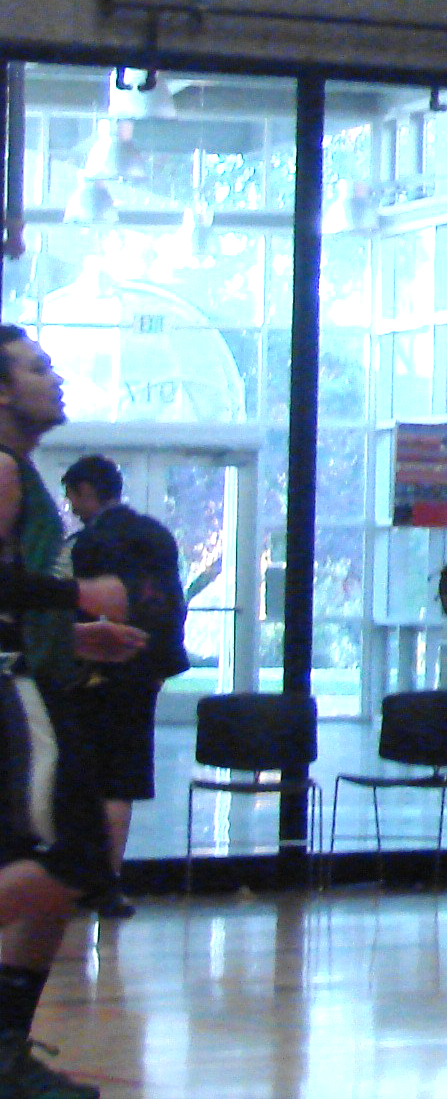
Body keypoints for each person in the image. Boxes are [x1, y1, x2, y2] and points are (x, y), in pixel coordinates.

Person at [0, 330, 149, 1099]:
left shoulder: (24, 472)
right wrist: (78, 595)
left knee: (65, 873)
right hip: (12, 689)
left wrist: (74, 631)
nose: (54, 378)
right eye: (38, 368)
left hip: (33, 674)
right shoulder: (1, 466)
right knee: (66, 858)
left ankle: (5, 1049)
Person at [59, 455, 189, 920]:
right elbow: (172, 604)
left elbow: (71, 605)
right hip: (142, 674)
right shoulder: (157, 536)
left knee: (82, 778)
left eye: (73, 497)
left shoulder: (86, 544)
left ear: (87, 492)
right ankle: (109, 885)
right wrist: (160, 664)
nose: (73, 508)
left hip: (93, 672)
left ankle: (77, 881)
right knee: (121, 781)